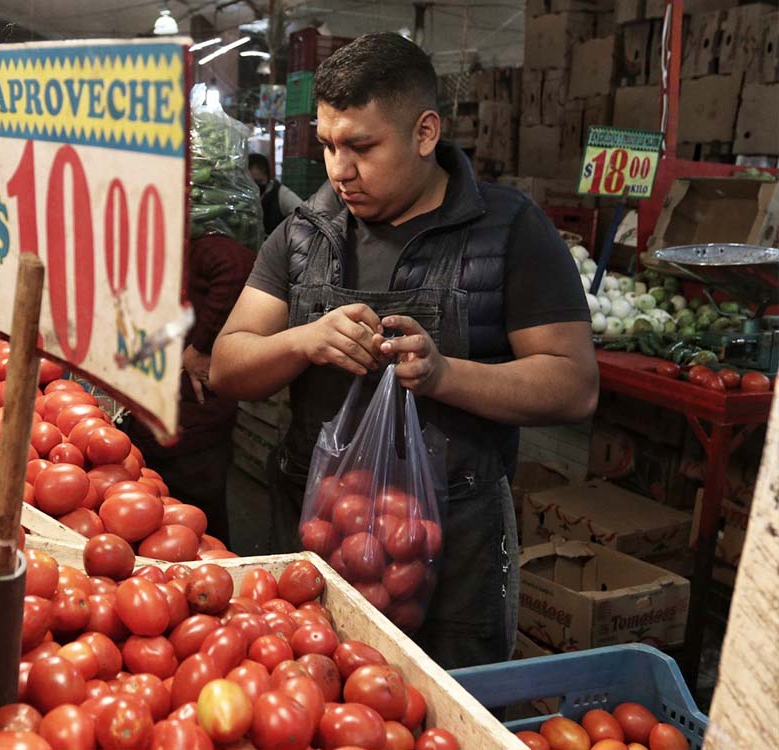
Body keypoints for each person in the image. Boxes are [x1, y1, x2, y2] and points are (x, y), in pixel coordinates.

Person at [209, 33, 598, 669]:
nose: (339, 170)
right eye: (329, 144)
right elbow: (228, 366)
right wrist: (305, 341)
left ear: (424, 133)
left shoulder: (508, 231)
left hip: (458, 545)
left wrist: (447, 375)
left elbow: (574, 384)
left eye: (362, 146)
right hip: (319, 530)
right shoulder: (304, 233)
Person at [124, 232, 256, 547]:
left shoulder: (204, 244)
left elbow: (236, 267)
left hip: (192, 421)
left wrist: (201, 345)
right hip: (162, 416)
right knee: (160, 518)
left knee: (199, 528)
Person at [249, 153, 303, 235]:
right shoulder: (248, 193)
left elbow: (305, 215)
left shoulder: (281, 193)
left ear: (262, 169)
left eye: (249, 168)